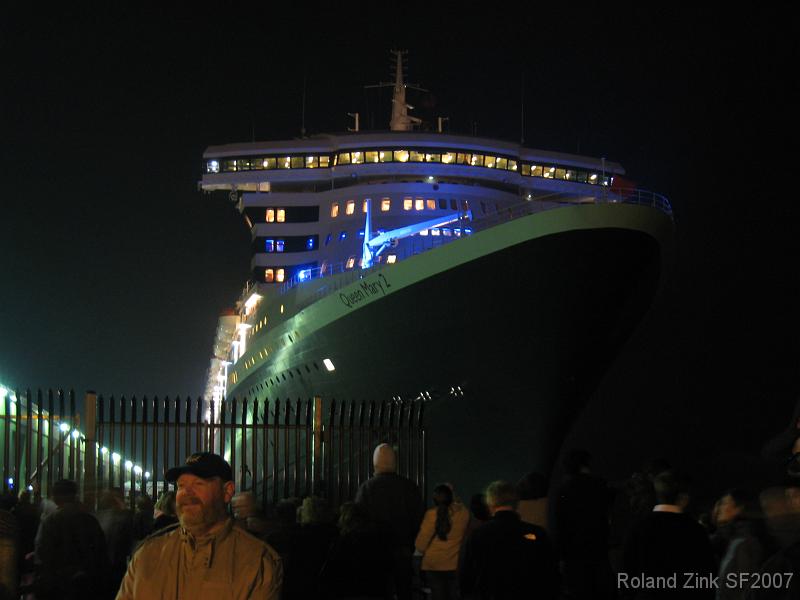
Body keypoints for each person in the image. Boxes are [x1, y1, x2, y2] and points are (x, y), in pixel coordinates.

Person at [115, 452, 283, 600]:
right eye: (181, 486)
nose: (187, 493)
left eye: (198, 484)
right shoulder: (147, 555)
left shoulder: (257, 562)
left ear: (227, 491)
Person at [622, 470, 716, 599]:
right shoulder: (695, 530)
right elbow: (706, 574)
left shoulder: (638, 527)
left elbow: (626, 571)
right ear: (683, 497)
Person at [459, 480, 558, 600]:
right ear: (516, 502)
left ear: (490, 503)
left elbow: (467, 577)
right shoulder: (537, 533)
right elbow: (549, 573)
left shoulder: (478, 535)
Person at [355, 443, 423, 600]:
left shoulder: (366, 489)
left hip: (375, 552)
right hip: (403, 550)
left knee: (379, 590)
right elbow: (419, 518)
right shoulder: (410, 487)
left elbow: (357, 520)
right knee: (404, 590)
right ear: (394, 462)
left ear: (375, 463)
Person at [34, 479, 110, 600]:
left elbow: (42, 553)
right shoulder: (90, 520)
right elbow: (101, 554)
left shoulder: (50, 521)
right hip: (87, 585)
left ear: (56, 498)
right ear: (74, 496)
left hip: (57, 585)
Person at [415, 483, 469, 600]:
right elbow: (461, 507)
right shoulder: (463, 514)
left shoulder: (431, 515)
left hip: (433, 565)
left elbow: (420, 546)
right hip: (455, 564)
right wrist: (453, 496)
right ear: (452, 497)